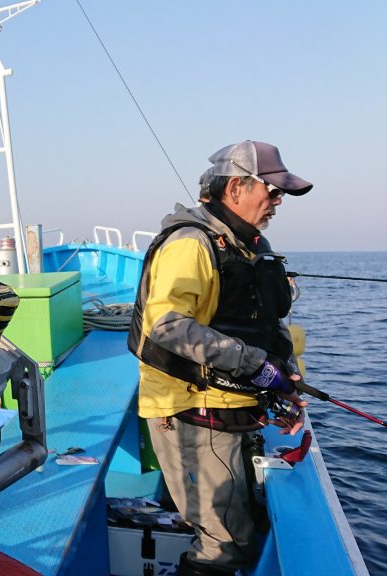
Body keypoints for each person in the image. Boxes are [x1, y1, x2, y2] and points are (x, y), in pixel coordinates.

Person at [128, 140, 313, 576]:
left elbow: (264, 323)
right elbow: (167, 326)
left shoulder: (248, 244)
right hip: (193, 409)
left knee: (241, 528)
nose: (278, 202)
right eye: (272, 191)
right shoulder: (190, 244)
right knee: (223, 545)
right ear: (235, 188)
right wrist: (256, 366)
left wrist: (284, 380)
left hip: (235, 406)